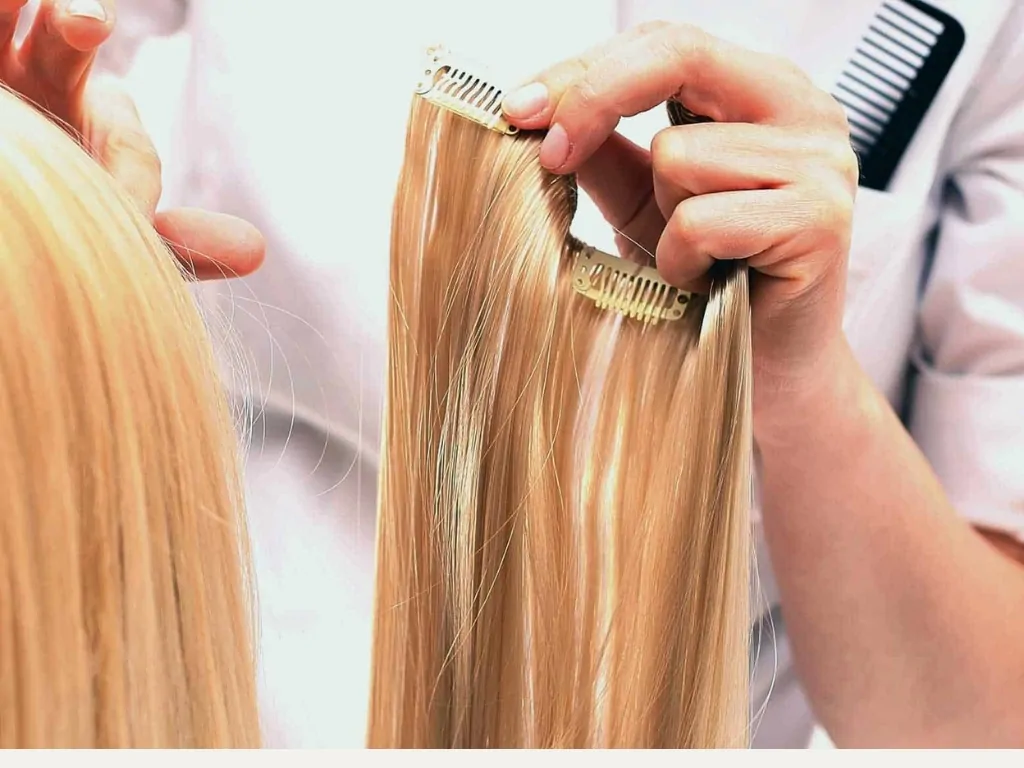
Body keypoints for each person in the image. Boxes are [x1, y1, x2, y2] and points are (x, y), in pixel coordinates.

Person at [9, 0, 1021, 747]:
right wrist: (40, 204)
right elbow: (64, 60)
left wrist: (804, 385)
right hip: (227, 687)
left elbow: (981, 717)